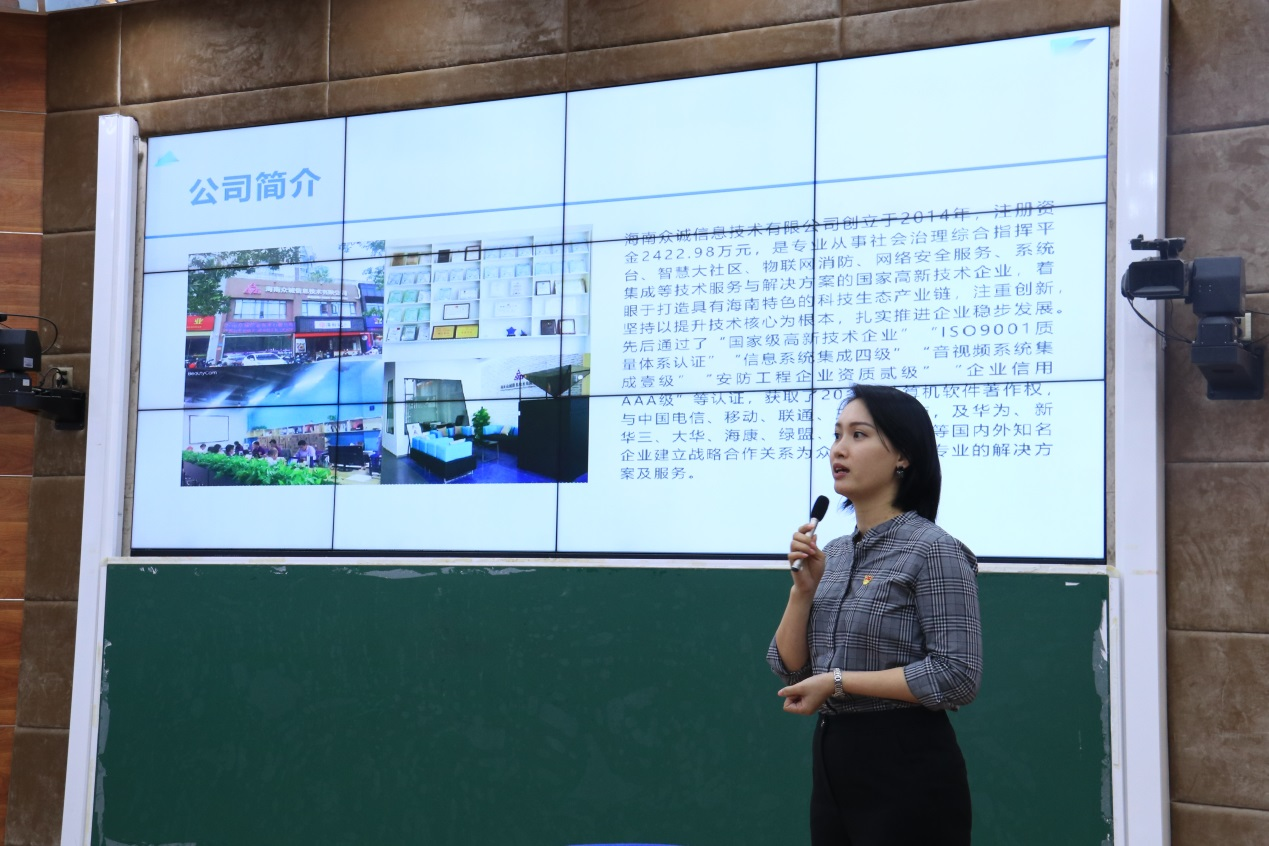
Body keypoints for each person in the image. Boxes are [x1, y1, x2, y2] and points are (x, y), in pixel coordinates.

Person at [768, 384, 982, 846]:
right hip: (834, 761)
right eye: (837, 434)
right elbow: (790, 669)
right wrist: (802, 592)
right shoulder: (834, 553)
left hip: (906, 765)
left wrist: (838, 682)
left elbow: (958, 675)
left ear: (903, 455)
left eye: (859, 435)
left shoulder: (933, 550)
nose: (838, 449)